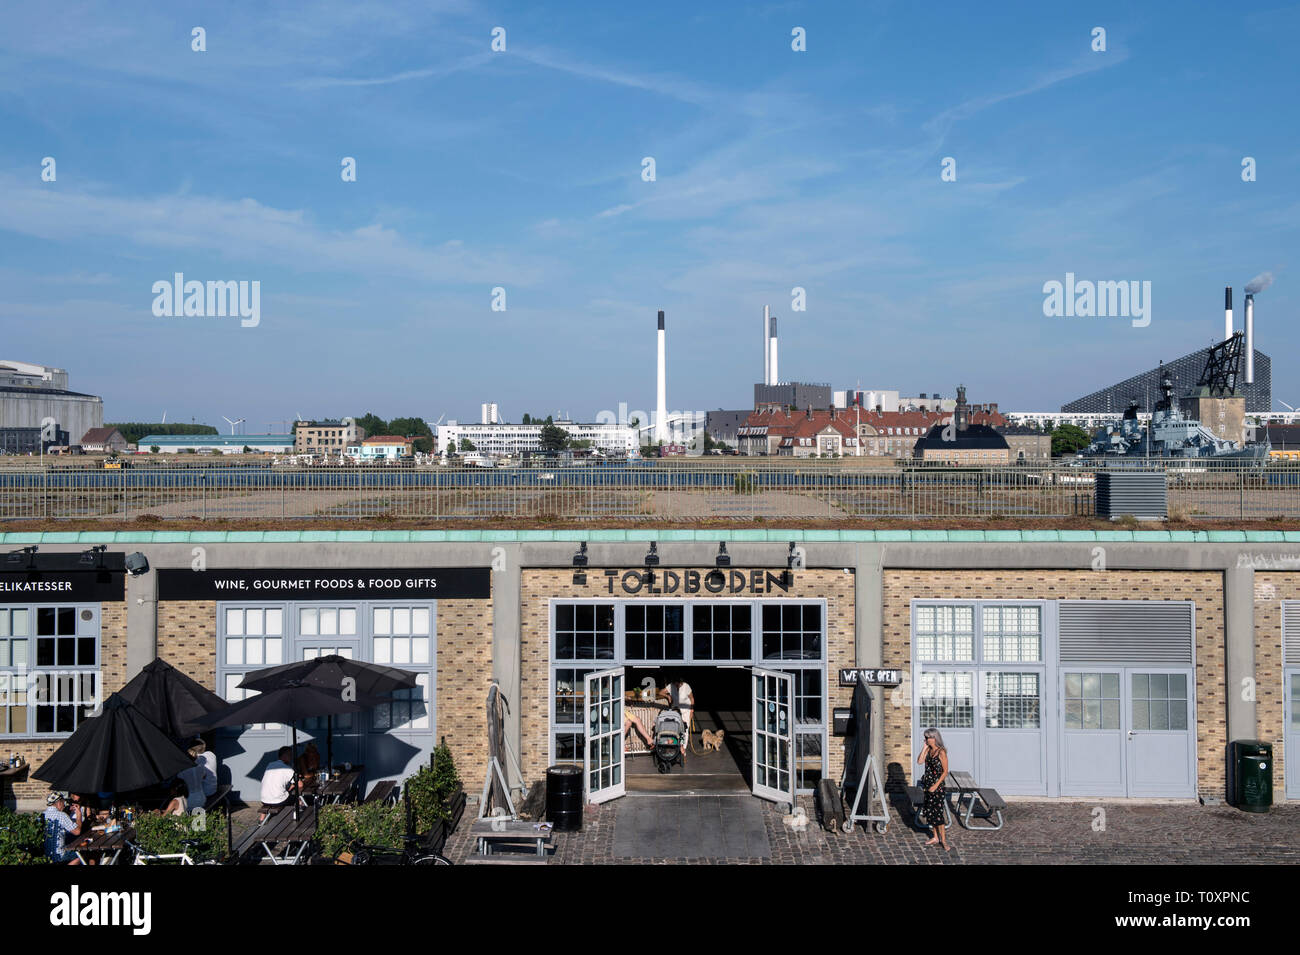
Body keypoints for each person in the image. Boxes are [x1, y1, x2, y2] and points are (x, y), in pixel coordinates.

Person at [917, 727, 951, 851]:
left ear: (934, 738)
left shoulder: (941, 752)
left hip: (937, 787)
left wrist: (935, 785)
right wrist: (925, 748)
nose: (925, 739)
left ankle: (944, 841)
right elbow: (919, 761)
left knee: (938, 814)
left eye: (927, 738)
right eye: (925, 737)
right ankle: (935, 837)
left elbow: (945, 771)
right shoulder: (929, 750)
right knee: (930, 813)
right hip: (927, 785)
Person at [258, 746, 299, 823]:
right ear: (285, 756)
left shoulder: (270, 765)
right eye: (290, 755)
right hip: (278, 801)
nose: (291, 757)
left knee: (273, 792)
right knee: (296, 796)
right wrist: (292, 786)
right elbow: (300, 784)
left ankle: (261, 819)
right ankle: (295, 816)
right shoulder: (288, 769)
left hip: (264, 799)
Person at [656, 675, 694, 755]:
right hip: (676, 710)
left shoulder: (686, 686)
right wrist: (668, 696)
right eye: (676, 684)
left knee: (685, 729)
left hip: (686, 710)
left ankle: (683, 748)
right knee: (675, 728)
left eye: (679, 684)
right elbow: (660, 692)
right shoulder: (671, 686)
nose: (677, 686)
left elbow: (692, 698)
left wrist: (691, 710)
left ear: (681, 683)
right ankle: (676, 746)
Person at [43, 792, 84, 865]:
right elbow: (77, 831)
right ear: (59, 803)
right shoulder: (61, 815)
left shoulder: (42, 815)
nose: (64, 805)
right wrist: (79, 815)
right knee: (82, 855)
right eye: (64, 802)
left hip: (45, 854)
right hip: (59, 855)